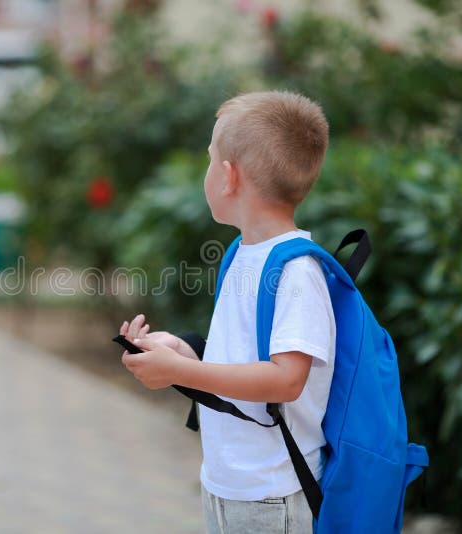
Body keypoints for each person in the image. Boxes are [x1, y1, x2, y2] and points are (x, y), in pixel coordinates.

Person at [119, 91, 333, 533]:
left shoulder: (297, 271)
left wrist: (181, 372)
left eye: (209, 159)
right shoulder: (242, 252)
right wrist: (181, 352)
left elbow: (286, 380)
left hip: (272, 491)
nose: (207, 172)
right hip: (228, 481)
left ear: (229, 177)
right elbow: (242, 362)